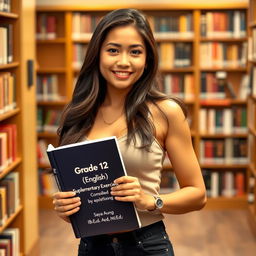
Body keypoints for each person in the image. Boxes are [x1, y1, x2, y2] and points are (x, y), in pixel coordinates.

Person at [52, 8, 207, 256]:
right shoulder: (77, 114)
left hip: (146, 245)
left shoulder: (165, 112)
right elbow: (78, 198)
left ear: (147, 59)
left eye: (135, 52)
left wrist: (151, 201)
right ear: (97, 55)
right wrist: (65, 209)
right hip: (92, 247)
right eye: (113, 50)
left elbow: (198, 194)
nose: (124, 61)